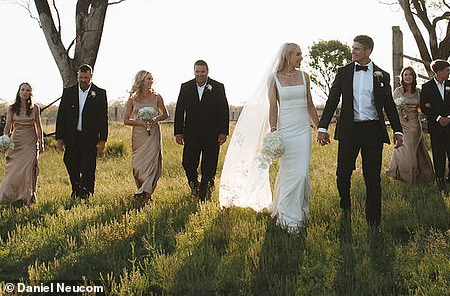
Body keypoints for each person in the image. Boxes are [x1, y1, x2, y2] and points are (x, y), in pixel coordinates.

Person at [220, 43, 320, 233]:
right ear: (288, 55)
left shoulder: (304, 76)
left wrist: (320, 128)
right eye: (298, 54)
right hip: (286, 130)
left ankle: (297, 210)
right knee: (288, 172)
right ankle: (287, 214)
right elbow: (273, 108)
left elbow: (310, 104)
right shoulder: (274, 79)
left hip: (303, 131)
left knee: (301, 174)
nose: (301, 58)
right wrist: (274, 131)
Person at [317, 35, 403, 229]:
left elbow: (389, 104)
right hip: (349, 129)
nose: (353, 51)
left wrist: (398, 131)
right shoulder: (344, 72)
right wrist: (322, 127)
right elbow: (332, 101)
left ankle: (373, 221)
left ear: (368, 51)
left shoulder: (382, 75)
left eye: (357, 49)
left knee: (372, 177)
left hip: (373, 130)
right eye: (353, 48)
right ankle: (345, 206)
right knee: (343, 173)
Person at [174, 60, 229, 201]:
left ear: (207, 71)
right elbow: (180, 110)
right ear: (194, 72)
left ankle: (205, 191)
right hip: (191, 133)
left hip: (212, 133)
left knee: (209, 164)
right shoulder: (185, 87)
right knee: (187, 162)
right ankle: (194, 185)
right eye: (197, 72)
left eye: (202, 71)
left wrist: (223, 132)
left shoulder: (217, 87)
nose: (200, 74)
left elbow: (224, 110)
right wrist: (178, 132)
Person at [56, 64, 108, 199]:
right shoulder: (69, 92)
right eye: (81, 77)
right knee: (70, 163)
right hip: (72, 137)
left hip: (90, 138)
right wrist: (59, 138)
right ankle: (76, 188)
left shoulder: (100, 93)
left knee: (88, 167)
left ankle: (86, 193)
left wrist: (103, 139)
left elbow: (103, 118)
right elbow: (61, 116)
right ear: (77, 76)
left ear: (91, 76)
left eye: (86, 77)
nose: (83, 80)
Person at [123, 70, 169, 202]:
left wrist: (155, 119)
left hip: (153, 133)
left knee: (153, 164)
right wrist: (140, 123)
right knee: (138, 165)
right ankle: (142, 189)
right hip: (139, 135)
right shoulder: (133, 99)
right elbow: (126, 120)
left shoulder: (157, 97)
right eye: (148, 79)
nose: (151, 81)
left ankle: (145, 193)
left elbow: (165, 114)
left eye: (151, 79)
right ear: (141, 81)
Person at [386, 67, 435, 184]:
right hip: (401, 123)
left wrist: (426, 108)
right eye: (406, 75)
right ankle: (404, 175)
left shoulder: (418, 91)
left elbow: (421, 107)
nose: (408, 77)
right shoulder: (398, 91)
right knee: (402, 149)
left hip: (414, 124)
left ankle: (415, 176)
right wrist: (401, 113)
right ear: (402, 77)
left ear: (414, 77)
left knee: (411, 150)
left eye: (410, 75)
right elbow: (393, 109)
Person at [420, 59, 450, 189]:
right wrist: (438, 118)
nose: (449, 72)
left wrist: (449, 118)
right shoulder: (427, 87)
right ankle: (440, 181)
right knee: (439, 155)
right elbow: (425, 107)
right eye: (447, 70)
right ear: (438, 71)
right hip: (436, 126)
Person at [0, 83, 43, 205]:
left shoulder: (35, 108)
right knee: (13, 169)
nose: (25, 92)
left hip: (30, 142)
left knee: (29, 168)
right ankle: (10, 196)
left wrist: (41, 142)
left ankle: (27, 197)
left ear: (31, 92)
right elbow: (8, 126)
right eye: (22, 89)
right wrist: (5, 141)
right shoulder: (12, 108)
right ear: (19, 92)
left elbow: (39, 127)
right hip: (16, 141)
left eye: (27, 90)